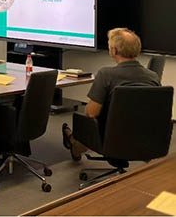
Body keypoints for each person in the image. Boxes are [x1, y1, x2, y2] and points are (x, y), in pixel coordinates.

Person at [62, 28, 160, 161]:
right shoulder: (153, 76)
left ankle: (74, 143)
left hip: (111, 137)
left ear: (114, 51)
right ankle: (73, 141)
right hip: (144, 136)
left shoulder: (106, 74)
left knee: (89, 121)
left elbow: (91, 113)